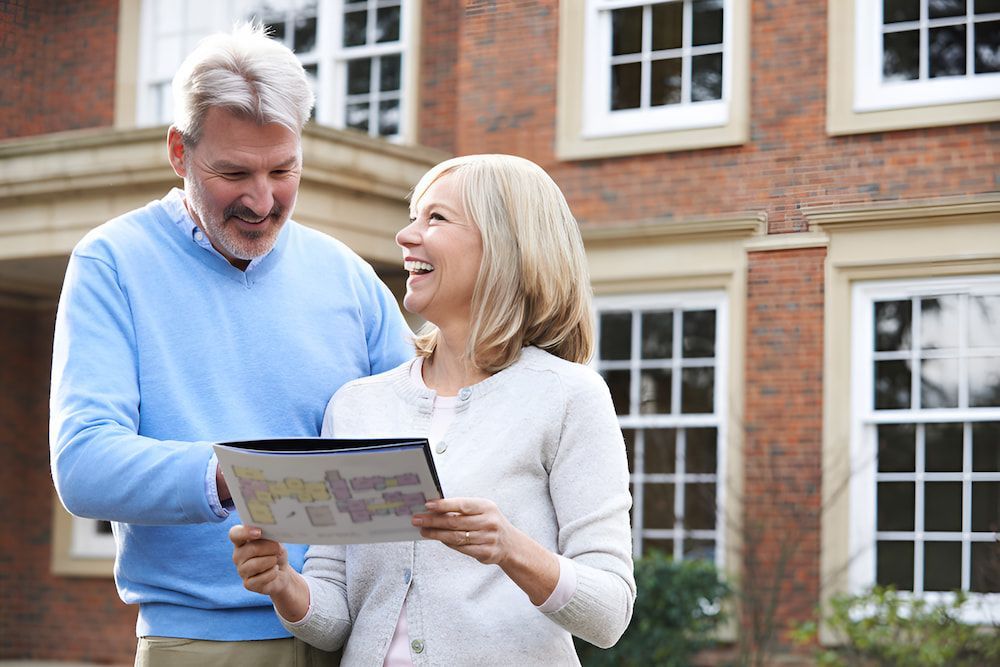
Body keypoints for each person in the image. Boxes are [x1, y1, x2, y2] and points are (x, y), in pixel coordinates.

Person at [49, 22, 413, 666]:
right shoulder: (112, 262)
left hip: (356, 634)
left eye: (283, 169)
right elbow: (83, 464)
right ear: (178, 153)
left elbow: (419, 436)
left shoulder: (348, 277)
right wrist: (240, 480)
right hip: (203, 642)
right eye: (233, 172)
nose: (262, 199)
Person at [230, 154, 636, 665]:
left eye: (436, 218)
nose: (405, 236)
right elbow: (336, 620)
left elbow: (609, 613)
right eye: (413, 216)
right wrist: (284, 583)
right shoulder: (357, 406)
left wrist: (511, 548)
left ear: (506, 245)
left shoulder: (568, 396)